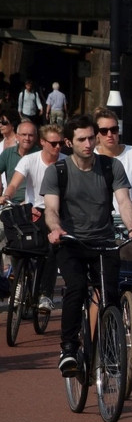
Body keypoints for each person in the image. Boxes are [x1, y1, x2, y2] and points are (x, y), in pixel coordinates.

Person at [43, 115, 132, 376]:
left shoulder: (111, 167)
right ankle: (68, 348)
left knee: (109, 296)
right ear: (69, 142)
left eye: (92, 137)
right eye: (82, 139)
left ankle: (108, 350)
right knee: (76, 286)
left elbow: (123, 201)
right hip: (70, 242)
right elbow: (51, 209)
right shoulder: (58, 171)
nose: (89, 143)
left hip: (103, 241)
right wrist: (56, 230)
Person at [1, 124, 67, 313]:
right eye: (53, 143)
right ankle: (20, 280)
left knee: (54, 247)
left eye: (61, 143)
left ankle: (45, 294)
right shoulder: (29, 161)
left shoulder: (66, 162)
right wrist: (6, 196)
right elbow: (14, 183)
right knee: (14, 242)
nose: (57, 147)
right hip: (34, 212)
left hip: (57, 214)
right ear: (43, 142)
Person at [0, 120, 37, 200]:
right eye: (24, 135)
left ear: (35, 138)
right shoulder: (8, 153)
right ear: (17, 136)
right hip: (11, 200)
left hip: (33, 203)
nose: (27, 138)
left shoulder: (40, 154)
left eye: (30, 135)